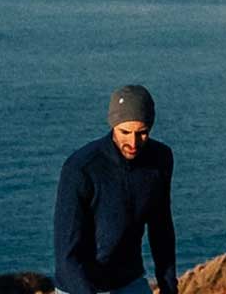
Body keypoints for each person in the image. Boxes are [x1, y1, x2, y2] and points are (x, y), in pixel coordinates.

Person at [53, 85, 177, 294]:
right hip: (80, 286)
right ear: (113, 125)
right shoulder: (81, 169)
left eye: (142, 133)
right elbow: (67, 256)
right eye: (125, 132)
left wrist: (168, 286)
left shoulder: (160, 159)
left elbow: (161, 228)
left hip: (129, 281)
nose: (133, 142)